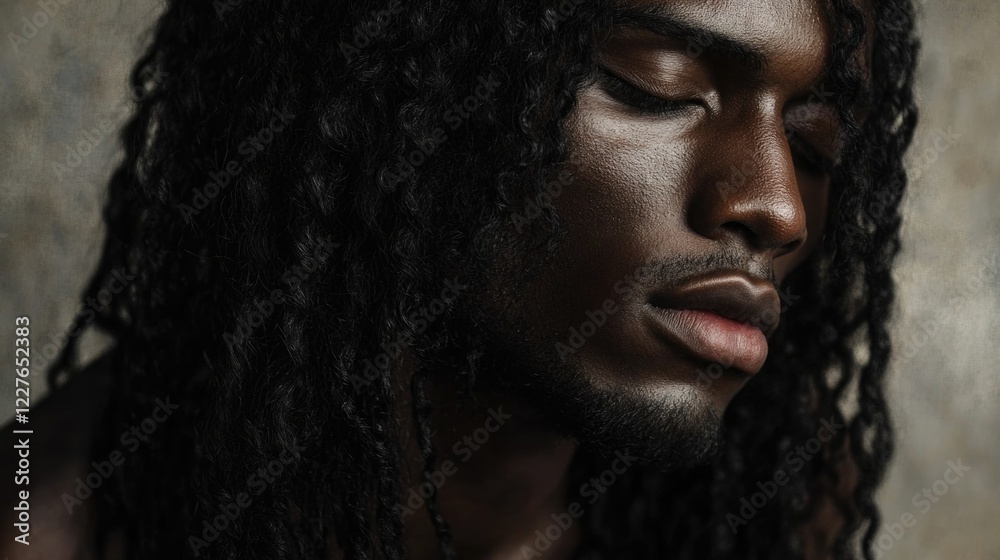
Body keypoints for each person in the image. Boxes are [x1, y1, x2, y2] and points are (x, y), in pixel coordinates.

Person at [1, 0, 920, 558]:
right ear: (388, 92)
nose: (778, 207)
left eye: (815, 145)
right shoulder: (45, 528)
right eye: (658, 85)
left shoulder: (776, 500)